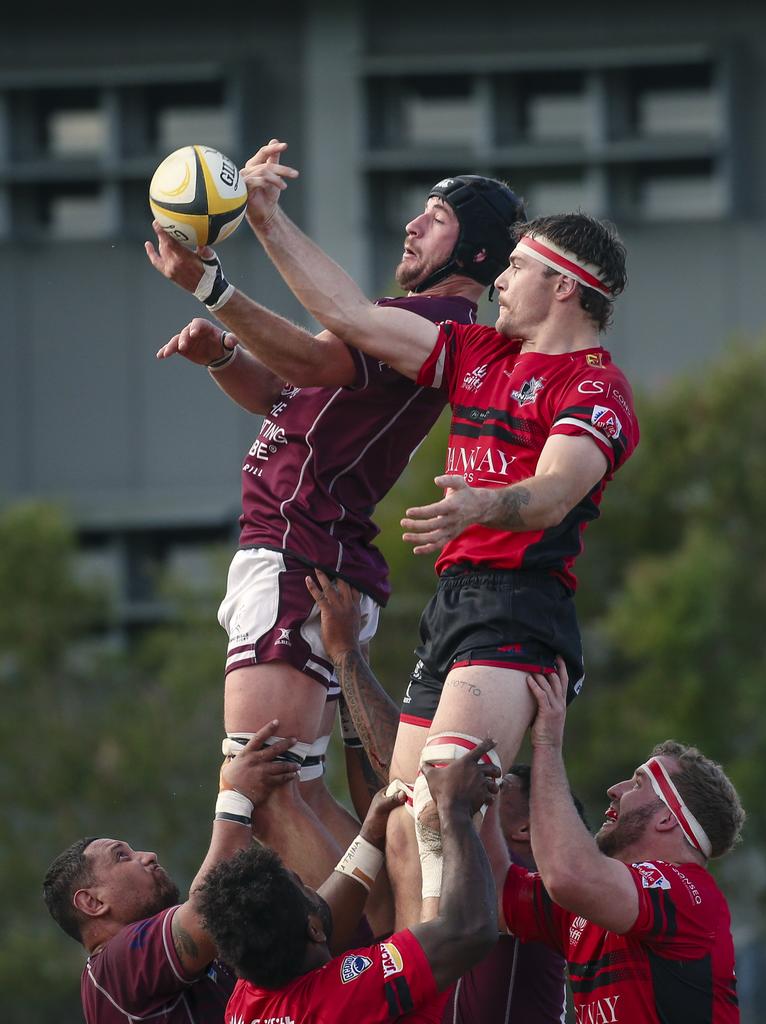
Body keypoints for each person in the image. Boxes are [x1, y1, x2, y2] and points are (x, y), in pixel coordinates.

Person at [228, 141, 640, 926]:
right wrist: (266, 218)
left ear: (563, 287)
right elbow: (348, 316)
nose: (501, 282)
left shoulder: (596, 386)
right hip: (454, 606)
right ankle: (429, 986)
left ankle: (465, 985)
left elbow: (553, 493)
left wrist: (486, 505)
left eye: (516, 268)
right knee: (404, 821)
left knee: (441, 804)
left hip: (518, 611)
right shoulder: (479, 354)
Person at [144, 140, 526, 894]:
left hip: (300, 549)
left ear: (475, 251)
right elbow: (285, 397)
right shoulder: (406, 320)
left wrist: (215, 287)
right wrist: (224, 358)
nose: (414, 226)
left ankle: (373, 957)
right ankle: (375, 953)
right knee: (300, 789)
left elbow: (311, 363)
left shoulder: (433, 322)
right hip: (307, 550)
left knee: (274, 787)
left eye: (438, 217)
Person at [307, 569, 577, 1024]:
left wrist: (347, 656)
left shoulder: (524, 883)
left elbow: (425, 791)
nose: (478, 784)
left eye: (498, 784)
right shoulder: (466, 856)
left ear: (526, 828)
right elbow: (397, 800)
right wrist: (347, 661)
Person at [502, 660, 744, 1023]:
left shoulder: (690, 895)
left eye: (637, 783)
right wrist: (479, 790)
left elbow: (569, 874)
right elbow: (492, 888)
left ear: (667, 817)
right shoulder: (595, 899)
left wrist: (548, 743)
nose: (614, 791)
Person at [196, 739, 501, 1024]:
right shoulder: (339, 998)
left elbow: (323, 914)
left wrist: (368, 839)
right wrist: (455, 809)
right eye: (307, 889)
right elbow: (469, 931)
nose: (317, 890)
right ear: (313, 930)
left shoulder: (250, 987)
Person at [42, 722, 300, 1024]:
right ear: (92, 903)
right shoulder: (113, 967)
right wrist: (235, 796)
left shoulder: (183, 963)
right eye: (122, 856)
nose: (148, 856)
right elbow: (213, 905)